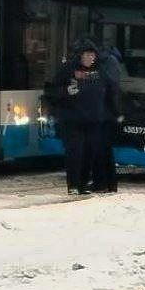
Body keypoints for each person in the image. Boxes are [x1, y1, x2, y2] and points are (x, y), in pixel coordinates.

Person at [51, 40, 115, 195]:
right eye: (88, 54)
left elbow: (111, 90)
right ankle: (73, 185)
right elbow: (52, 91)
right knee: (75, 153)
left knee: (89, 152)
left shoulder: (100, 70)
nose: (91, 58)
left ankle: (82, 184)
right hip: (72, 120)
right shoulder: (68, 69)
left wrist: (112, 112)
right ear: (81, 55)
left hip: (93, 120)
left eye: (93, 55)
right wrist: (66, 91)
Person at [93, 43, 123, 194]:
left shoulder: (105, 65)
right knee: (104, 150)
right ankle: (108, 184)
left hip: (103, 115)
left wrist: (116, 113)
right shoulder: (109, 62)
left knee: (100, 150)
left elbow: (111, 90)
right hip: (105, 114)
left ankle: (102, 183)